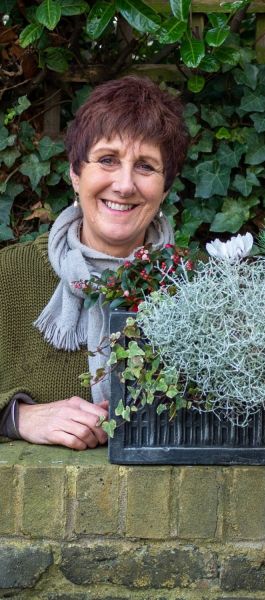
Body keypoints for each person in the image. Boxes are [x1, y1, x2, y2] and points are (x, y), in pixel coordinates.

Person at [0, 76, 189, 450]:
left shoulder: (198, 284)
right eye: (107, 160)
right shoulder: (9, 276)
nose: (124, 185)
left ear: (165, 188)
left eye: (146, 167)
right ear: (75, 173)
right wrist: (17, 418)